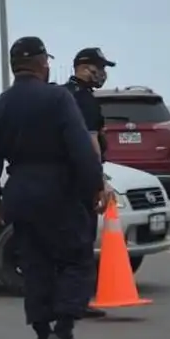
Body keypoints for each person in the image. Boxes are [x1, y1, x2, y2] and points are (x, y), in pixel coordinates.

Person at [0, 36, 106, 339]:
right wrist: (96, 185)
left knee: (35, 266)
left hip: (20, 191)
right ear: (41, 64)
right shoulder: (58, 98)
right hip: (58, 190)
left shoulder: (0, 106)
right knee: (77, 260)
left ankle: (43, 338)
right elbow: (80, 147)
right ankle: (63, 332)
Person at [63, 47, 117, 319]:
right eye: (100, 67)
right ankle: (77, 302)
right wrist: (100, 180)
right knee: (82, 243)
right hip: (81, 180)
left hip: (59, 179)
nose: (103, 73)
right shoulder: (84, 100)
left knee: (64, 242)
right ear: (84, 67)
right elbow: (91, 142)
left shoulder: (62, 94)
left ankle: (62, 296)